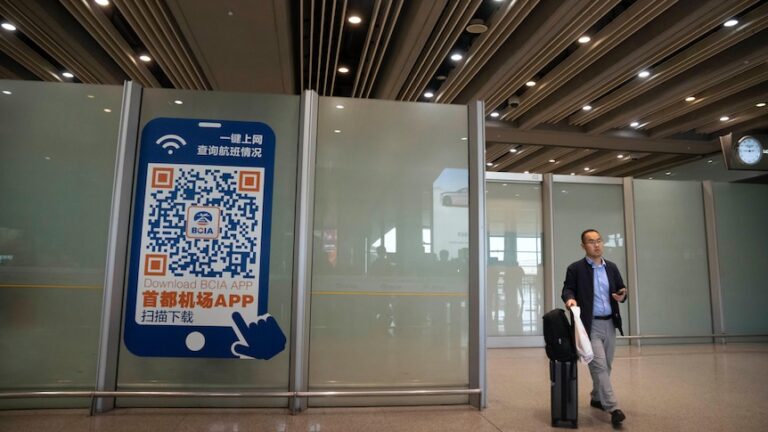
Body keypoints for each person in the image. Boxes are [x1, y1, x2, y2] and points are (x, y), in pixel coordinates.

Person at [562, 229, 628, 426]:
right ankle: (613, 408)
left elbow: (621, 290)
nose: (596, 245)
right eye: (591, 242)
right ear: (583, 246)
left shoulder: (612, 268)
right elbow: (567, 289)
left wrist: (622, 295)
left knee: (606, 365)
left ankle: (596, 397)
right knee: (599, 365)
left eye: (599, 241)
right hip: (589, 325)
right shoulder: (576, 268)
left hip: (610, 323)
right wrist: (570, 299)